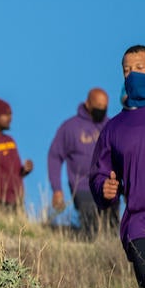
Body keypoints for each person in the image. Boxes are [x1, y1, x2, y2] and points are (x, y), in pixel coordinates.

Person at [91, 45, 145, 288]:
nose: (133, 75)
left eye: (140, 68)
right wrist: (104, 187)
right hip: (138, 225)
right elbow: (98, 173)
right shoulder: (113, 129)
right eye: (127, 70)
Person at [47, 88, 119, 238]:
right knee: (91, 228)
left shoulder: (112, 126)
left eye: (104, 107)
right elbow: (54, 156)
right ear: (88, 104)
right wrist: (57, 190)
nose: (101, 110)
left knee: (111, 230)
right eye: (98, 106)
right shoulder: (70, 127)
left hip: (109, 186)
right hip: (82, 187)